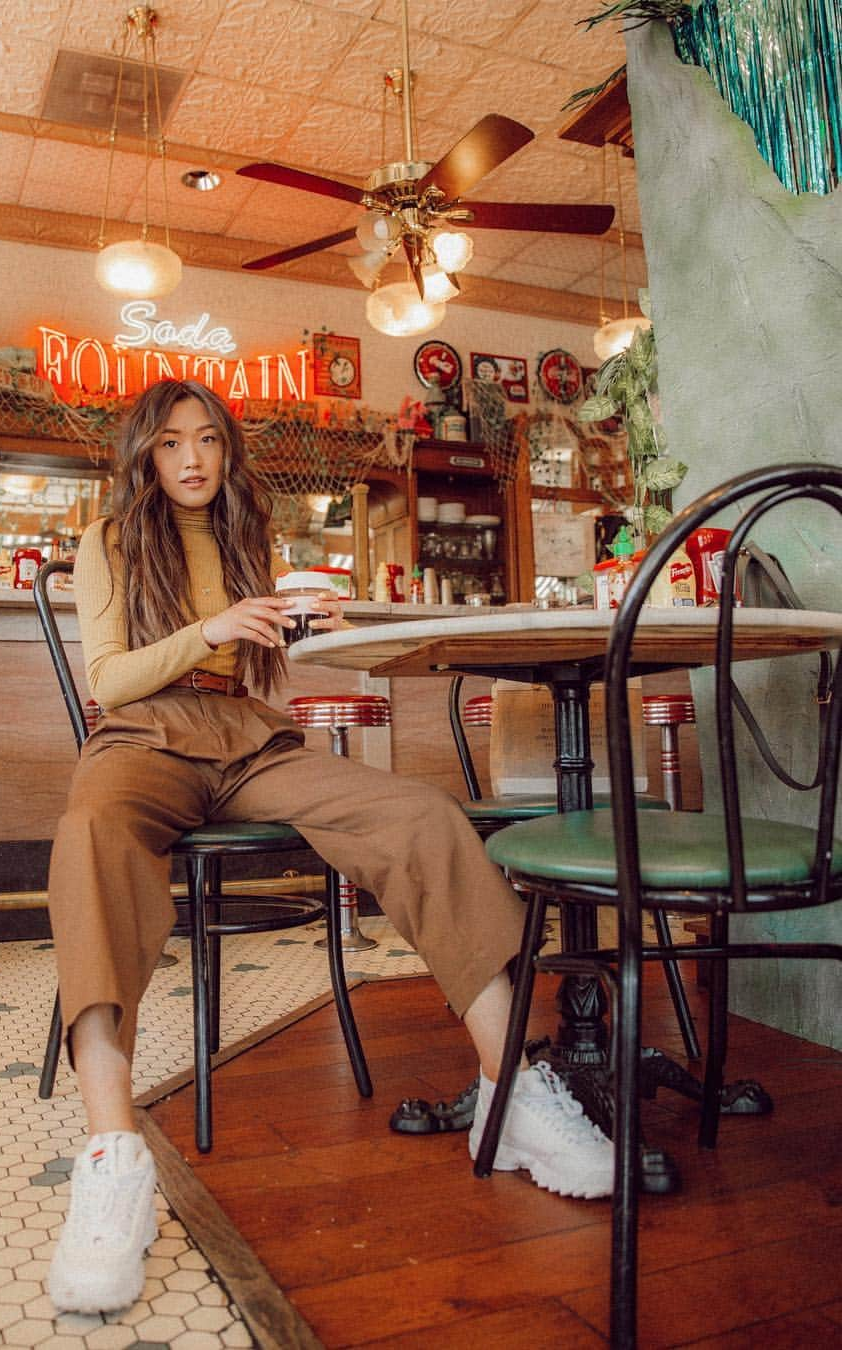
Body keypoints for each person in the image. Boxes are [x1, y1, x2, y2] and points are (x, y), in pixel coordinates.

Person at [46, 378, 613, 1315]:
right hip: (142, 739)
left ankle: (508, 1089)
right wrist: (211, 629)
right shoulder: (107, 542)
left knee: (421, 816)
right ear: (144, 455)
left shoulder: (242, 538)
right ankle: (114, 1156)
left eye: (209, 442)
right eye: (171, 443)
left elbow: (261, 669)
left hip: (249, 739)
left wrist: (308, 634)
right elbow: (109, 681)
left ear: (227, 454)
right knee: (89, 835)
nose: (192, 459)